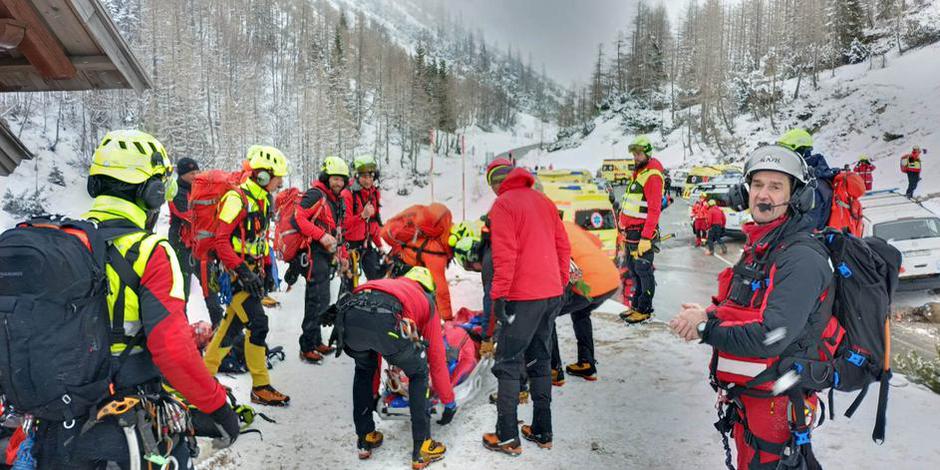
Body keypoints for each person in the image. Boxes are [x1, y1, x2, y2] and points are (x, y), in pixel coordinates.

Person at [33, 130, 239, 467]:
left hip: (52, 421)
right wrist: (218, 408)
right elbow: (172, 351)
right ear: (154, 191)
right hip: (120, 421)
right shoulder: (150, 251)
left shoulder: (61, 243)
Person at [669, 144, 833, 470]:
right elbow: (745, 308)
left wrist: (704, 328)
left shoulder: (800, 258)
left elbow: (771, 335)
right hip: (752, 399)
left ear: (797, 197)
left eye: (776, 187)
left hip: (777, 405)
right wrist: (708, 314)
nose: (763, 196)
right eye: (757, 185)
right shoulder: (763, 244)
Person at [481, 161, 570, 456]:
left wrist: (499, 296)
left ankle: (507, 437)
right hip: (550, 293)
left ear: (497, 183)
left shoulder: (503, 205)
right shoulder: (543, 201)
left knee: (507, 362)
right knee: (540, 359)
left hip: (522, 296)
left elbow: (506, 253)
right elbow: (562, 246)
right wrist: (561, 283)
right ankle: (543, 430)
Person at [333, 267, 454, 469]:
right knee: (418, 372)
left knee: (363, 370)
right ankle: (422, 447)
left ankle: (365, 437)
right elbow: (437, 358)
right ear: (429, 288)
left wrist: (373, 394)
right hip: (386, 323)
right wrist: (448, 401)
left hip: (351, 319)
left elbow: (376, 347)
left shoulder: (389, 284)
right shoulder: (426, 300)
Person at [202, 145, 291, 406]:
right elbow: (221, 241)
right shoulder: (236, 198)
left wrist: (263, 272)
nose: (280, 183)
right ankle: (260, 386)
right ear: (263, 175)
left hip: (250, 271)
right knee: (258, 324)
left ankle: (204, 375)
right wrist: (242, 271)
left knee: (231, 327)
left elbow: (259, 239)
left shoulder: (262, 198)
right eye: (277, 177)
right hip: (234, 275)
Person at [291, 156, 350, 363]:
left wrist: (342, 257)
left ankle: (315, 340)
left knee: (321, 299)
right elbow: (297, 218)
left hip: (326, 254)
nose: (338, 183)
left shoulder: (337, 200)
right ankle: (306, 345)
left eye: (342, 180)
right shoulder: (316, 194)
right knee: (316, 300)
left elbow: (338, 230)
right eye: (335, 179)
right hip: (313, 252)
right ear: (326, 177)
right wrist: (321, 236)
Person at [550, 221, 620, 384]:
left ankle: (553, 369)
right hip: (610, 280)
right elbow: (597, 242)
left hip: (588, 284)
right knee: (581, 312)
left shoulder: (546, 232)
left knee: (545, 315)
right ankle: (586, 363)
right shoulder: (568, 225)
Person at [167, 157, 225, 326]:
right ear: (183, 174)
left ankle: (219, 328)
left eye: (197, 172)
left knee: (211, 292)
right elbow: (188, 216)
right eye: (192, 173)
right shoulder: (175, 191)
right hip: (181, 248)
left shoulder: (199, 189)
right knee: (181, 293)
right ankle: (182, 331)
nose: (196, 175)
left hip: (201, 247)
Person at [618, 135, 665, 324]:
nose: (635, 157)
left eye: (639, 154)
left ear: (647, 153)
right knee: (633, 270)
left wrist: (646, 238)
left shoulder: (652, 176)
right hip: (631, 233)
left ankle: (644, 309)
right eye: (634, 154)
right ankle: (636, 306)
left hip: (642, 234)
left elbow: (654, 210)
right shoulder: (640, 172)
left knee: (643, 271)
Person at [777, 128, 837, 230]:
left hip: (810, 243)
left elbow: (805, 228)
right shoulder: (801, 179)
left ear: (801, 152)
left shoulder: (814, 186)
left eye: (787, 154)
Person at [344, 155, 386, 287]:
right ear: (356, 177)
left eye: (370, 176)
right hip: (348, 247)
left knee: (376, 277)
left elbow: (373, 223)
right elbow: (344, 225)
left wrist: (379, 245)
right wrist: (362, 216)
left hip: (365, 244)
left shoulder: (373, 194)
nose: (368, 180)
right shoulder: (347, 194)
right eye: (364, 176)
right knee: (348, 285)